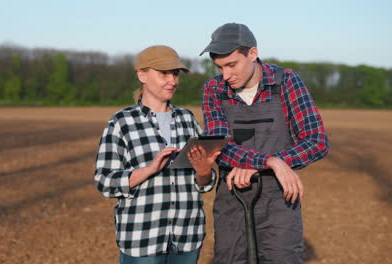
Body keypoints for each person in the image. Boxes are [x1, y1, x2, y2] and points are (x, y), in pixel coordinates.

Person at [199, 23, 329, 263]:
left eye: (231, 65)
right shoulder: (213, 89)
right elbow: (219, 147)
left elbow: (316, 141)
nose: (226, 75)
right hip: (232, 200)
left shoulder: (287, 82)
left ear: (253, 54)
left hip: (279, 202)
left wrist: (267, 165)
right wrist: (271, 161)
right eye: (219, 67)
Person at [94, 45, 220, 264]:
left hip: (187, 237)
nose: (172, 80)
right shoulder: (121, 123)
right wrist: (149, 170)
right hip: (143, 239)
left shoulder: (187, 119)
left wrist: (204, 172)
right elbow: (105, 181)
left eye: (175, 74)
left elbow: (204, 183)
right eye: (164, 74)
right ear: (142, 75)